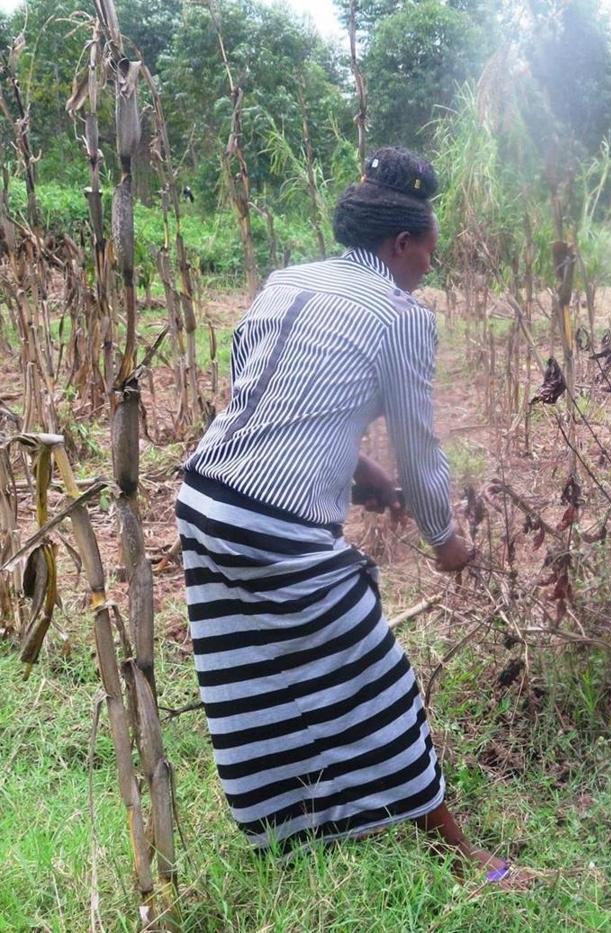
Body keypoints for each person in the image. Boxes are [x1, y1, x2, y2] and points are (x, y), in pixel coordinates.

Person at [176, 148, 524, 885]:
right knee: (380, 682)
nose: (431, 263)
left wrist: (367, 480)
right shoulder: (400, 316)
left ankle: (290, 837)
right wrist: (447, 541)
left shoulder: (288, 280)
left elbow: (261, 392)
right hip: (273, 527)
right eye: (429, 248)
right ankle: (464, 860)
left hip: (205, 497)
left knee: (255, 676)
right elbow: (421, 448)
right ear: (400, 244)